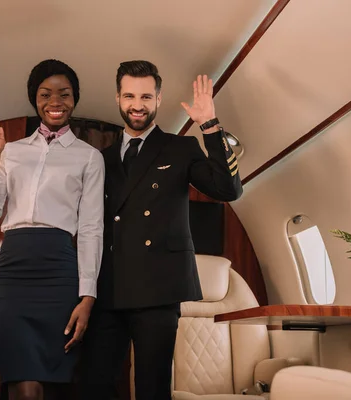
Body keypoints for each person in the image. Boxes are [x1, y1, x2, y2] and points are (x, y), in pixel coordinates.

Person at [80, 60, 242, 400]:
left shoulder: (179, 148)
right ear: (117, 99)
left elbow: (228, 191)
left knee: (153, 389)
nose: (137, 105)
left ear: (158, 99)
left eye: (145, 96)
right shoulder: (101, 158)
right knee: (95, 385)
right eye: (129, 96)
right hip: (109, 286)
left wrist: (209, 125)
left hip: (159, 288)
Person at [0, 59, 104, 400]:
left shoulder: (89, 157)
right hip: (13, 271)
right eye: (46, 94)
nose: (55, 101)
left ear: (75, 99)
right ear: (35, 99)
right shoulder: (10, 151)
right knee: (22, 381)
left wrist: (87, 296)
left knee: (50, 384)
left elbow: (91, 228)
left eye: (64, 93)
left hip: (59, 272)